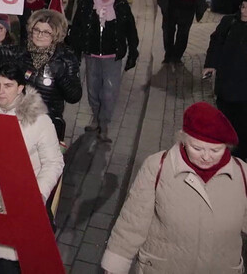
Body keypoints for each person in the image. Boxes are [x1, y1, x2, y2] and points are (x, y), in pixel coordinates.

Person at [101, 102, 246, 274]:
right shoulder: (157, 167)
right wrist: (116, 265)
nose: (206, 157)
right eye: (197, 148)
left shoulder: (242, 173)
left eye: (215, 150)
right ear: (183, 140)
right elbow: (132, 221)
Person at [0, 62, 64, 273]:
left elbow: (54, 162)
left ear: (21, 87)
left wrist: (38, 194)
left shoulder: (39, 121)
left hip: (19, 205)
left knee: (9, 261)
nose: (1, 91)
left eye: (8, 85)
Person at [0, 7, 82, 140]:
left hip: (47, 122)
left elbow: (74, 97)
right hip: (17, 119)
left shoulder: (66, 58)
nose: (39, 35)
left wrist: (61, 75)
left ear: (55, 35)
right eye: (37, 30)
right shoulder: (21, 52)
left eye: (46, 32)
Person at [68, 0, 139, 142]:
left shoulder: (121, 5)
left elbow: (131, 30)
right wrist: (75, 51)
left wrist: (133, 52)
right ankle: (95, 116)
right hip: (91, 55)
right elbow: (77, 28)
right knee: (93, 90)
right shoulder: (86, 3)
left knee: (109, 92)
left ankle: (104, 123)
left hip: (112, 57)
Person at [205, 0, 247, 159]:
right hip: (226, 86)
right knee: (225, 122)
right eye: (243, 6)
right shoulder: (229, 22)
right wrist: (210, 64)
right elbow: (216, 42)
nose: (244, 11)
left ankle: (240, 160)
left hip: (244, 92)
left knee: (242, 127)